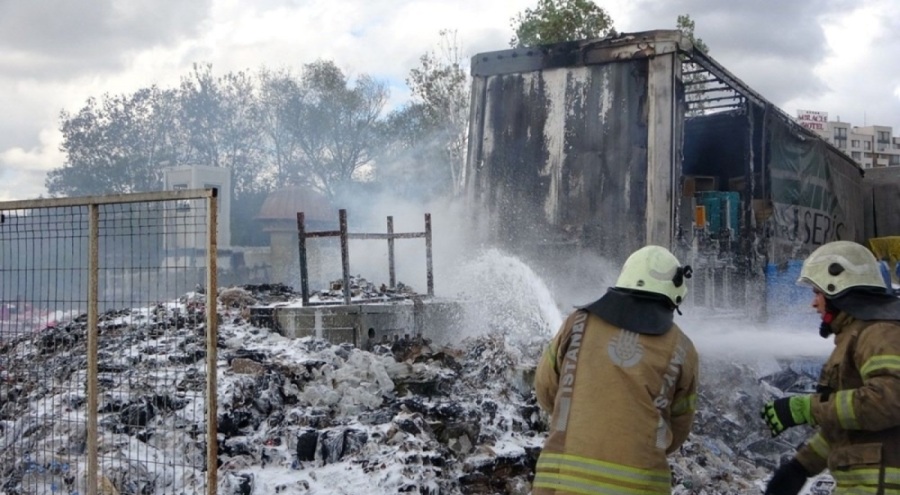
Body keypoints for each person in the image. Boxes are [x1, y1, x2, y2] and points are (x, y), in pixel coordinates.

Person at [532, 245, 699, 495]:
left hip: (559, 485)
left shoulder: (577, 323)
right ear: (672, 295)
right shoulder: (682, 348)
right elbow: (679, 426)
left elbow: (545, 389)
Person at [760, 240, 900, 495]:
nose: (814, 304)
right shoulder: (855, 335)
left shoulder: (879, 333)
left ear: (839, 292)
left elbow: (887, 402)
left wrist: (807, 408)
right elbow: (849, 427)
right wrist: (800, 467)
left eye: (818, 293)